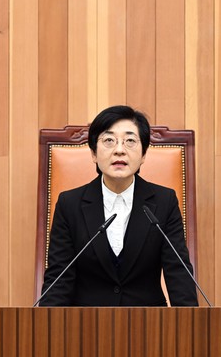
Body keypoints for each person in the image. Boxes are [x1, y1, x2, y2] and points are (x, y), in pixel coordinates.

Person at [39, 105, 199, 306]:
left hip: (150, 322)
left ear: (143, 155)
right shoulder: (70, 204)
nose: (119, 150)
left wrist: (190, 323)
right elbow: (59, 280)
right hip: (86, 322)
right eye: (109, 140)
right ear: (93, 153)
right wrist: (49, 324)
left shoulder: (164, 202)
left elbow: (179, 274)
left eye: (130, 141)